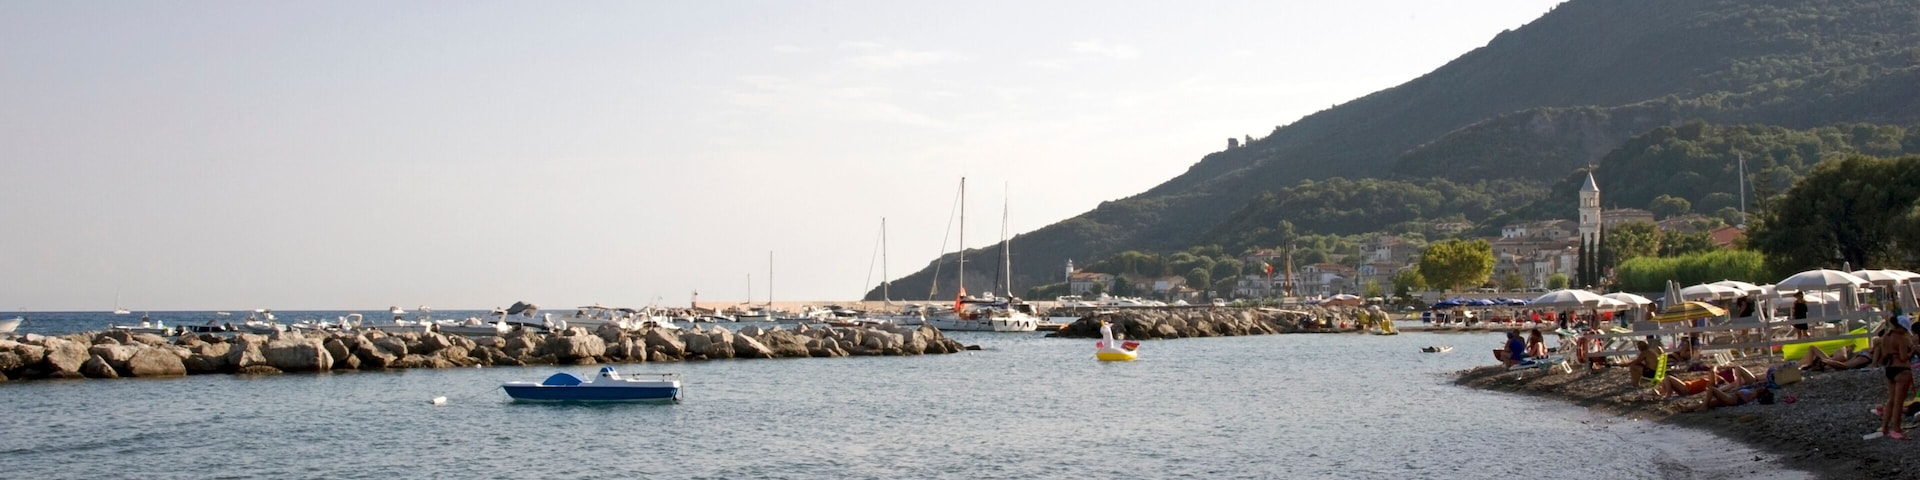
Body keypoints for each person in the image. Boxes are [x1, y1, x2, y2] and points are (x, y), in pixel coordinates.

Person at [1872, 316, 1916, 440]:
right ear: (1901, 327)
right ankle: (1896, 429)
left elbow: (1884, 355)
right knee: (1898, 402)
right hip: (1902, 370)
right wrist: (1912, 351)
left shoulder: (1885, 336)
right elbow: (1903, 357)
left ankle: (1884, 427)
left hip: (1890, 369)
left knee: (1890, 400)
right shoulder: (1900, 338)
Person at [1801, 343, 1874, 371]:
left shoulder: (1864, 358)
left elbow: (1845, 366)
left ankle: (1805, 365)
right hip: (1846, 352)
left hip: (1843, 357)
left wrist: (1826, 361)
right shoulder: (1866, 356)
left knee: (1812, 347)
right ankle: (1806, 365)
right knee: (1842, 357)